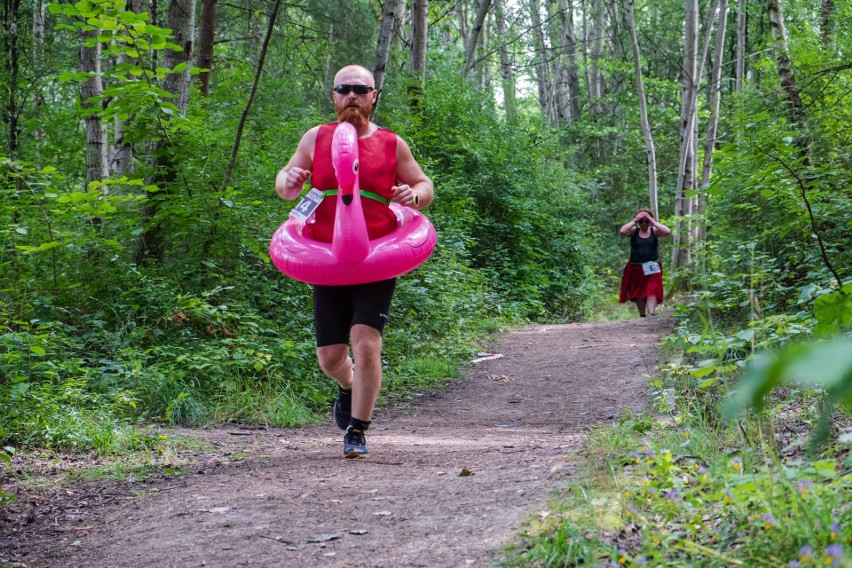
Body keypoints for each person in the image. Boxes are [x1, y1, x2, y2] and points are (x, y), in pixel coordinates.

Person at [274, 65, 434, 458]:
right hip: (327, 259)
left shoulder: (392, 143)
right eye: (343, 89)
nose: (352, 96)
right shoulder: (317, 137)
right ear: (333, 95)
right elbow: (283, 183)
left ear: (373, 95)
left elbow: (424, 184)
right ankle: (346, 386)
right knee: (330, 358)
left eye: (360, 90)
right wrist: (288, 181)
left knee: (365, 343)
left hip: (376, 258)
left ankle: (358, 431)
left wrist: (415, 196)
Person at [618, 208, 671, 317]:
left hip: (652, 266)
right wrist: (635, 220)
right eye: (641, 221)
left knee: (651, 289)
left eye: (646, 221)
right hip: (636, 267)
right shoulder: (633, 231)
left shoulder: (655, 231)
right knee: (639, 292)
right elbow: (623, 231)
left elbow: (667, 231)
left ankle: (651, 314)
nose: (644, 223)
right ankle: (642, 315)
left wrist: (652, 220)